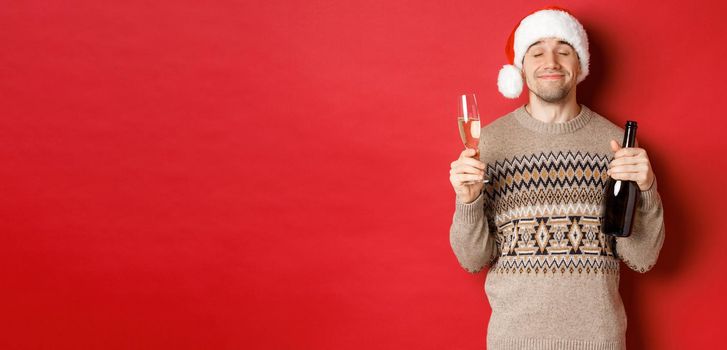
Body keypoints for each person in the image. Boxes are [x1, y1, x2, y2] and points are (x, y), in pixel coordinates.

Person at [448, 6, 665, 349]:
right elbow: (472, 260)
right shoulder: (488, 143)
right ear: (520, 67)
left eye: (564, 51)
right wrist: (468, 201)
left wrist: (648, 190)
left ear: (580, 65)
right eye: (537, 52)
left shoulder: (617, 145)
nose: (551, 61)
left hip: (599, 341)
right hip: (513, 341)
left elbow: (642, 257)